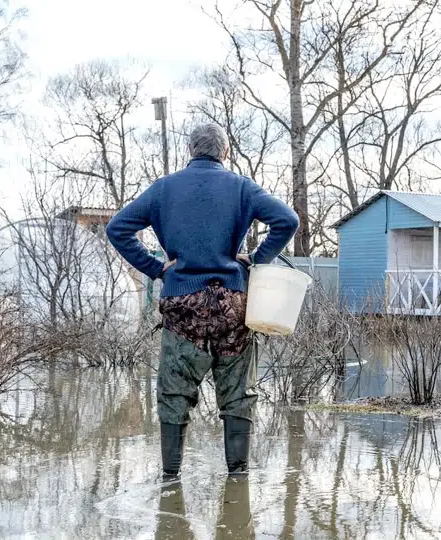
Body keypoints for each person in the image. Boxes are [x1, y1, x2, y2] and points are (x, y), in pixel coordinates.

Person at [106, 123, 298, 479]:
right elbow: (287, 220)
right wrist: (257, 258)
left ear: (190, 149)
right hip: (233, 305)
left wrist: (156, 268)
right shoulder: (241, 187)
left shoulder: (164, 188)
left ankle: (170, 476)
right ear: (224, 151)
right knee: (238, 394)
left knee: (174, 393)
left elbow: (117, 228)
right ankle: (238, 478)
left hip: (183, 303)